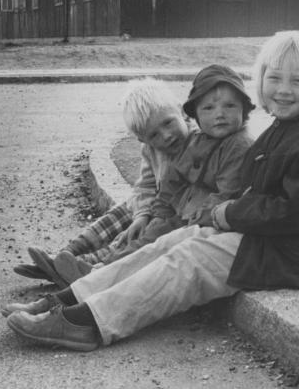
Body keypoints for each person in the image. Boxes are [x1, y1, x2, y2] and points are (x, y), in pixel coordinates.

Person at [3, 30, 299, 352]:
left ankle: (90, 322)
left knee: (189, 261)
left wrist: (229, 213)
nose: (283, 89)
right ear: (260, 79)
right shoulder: (288, 127)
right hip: (276, 241)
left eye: (298, 80)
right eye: (274, 77)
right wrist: (224, 216)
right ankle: (71, 298)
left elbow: (297, 214)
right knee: (173, 240)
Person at [54, 64, 255, 279]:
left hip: (197, 218)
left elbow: (224, 193)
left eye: (169, 123)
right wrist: (153, 215)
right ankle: (77, 257)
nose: (167, 136)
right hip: (173, 209)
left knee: (149, 242)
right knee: (134, 220)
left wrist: (174, 219)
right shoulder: (189, 142)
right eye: (209, 109)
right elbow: (160, 185)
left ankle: (99, 267)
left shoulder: (230, 144)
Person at [13, 77, 193, 288]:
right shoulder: (151, 150)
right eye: (154, 134)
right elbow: (145, 187)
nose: (166, 136)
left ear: (181, 111)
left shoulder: (197, 144)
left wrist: (149, 216)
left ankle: (92, 266)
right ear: (143, 140)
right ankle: (68, 254)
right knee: (126, 210)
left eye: (168, 122)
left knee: (136, 235)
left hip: (175, 216)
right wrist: (142, 214)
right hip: (157, 206)